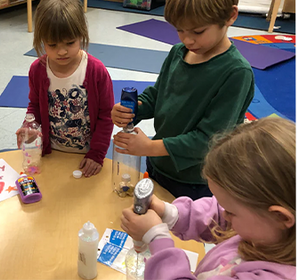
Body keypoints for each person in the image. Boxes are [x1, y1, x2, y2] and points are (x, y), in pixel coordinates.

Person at [111, 0, 255, 199]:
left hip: (196, 181)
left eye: (198, 32)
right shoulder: (178, 53)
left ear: (230, 16)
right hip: (159, 166)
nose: (188, 39)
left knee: (185, 232)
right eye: (180, 30)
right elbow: (158, 95)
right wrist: (133, 110)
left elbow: (209, 140)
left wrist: (150, 147)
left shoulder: (236, 73)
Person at [121, 117, 296, 279]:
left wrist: (157, 239)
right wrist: (171, 213)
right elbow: (218, 216)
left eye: (231, 212)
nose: (224, 214)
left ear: (281, 216)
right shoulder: (267, 228)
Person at [19, 0, 114, 178]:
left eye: (70, 43)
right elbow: (35, 105)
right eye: (52, 45)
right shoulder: (37, 70)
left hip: (86, 155)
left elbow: (106, 116)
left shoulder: (96, 71)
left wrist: (97, 153)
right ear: (42, 41)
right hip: (52, 152)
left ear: (81, 35)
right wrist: (30, 125)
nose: (61, 52)